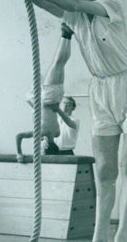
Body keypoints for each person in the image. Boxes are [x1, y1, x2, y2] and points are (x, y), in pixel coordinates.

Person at [8, 0, 127, 242]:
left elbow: (71, 2)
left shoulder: (109, 6)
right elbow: (44, 2)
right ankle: (99, 241)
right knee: (104, 171)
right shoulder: (74, 17)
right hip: (101, 92)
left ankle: (120, 241)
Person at [15, 26, 79, 158]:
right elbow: (19, 136)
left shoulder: (57, 134)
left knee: (61, 63)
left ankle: (67, 36)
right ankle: (65, 34)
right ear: (45, 146)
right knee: (57, 63)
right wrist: (19, 153)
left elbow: (45, 115)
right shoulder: (42, 132)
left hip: (57, 96)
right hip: (50, 96)